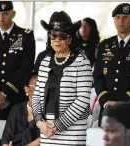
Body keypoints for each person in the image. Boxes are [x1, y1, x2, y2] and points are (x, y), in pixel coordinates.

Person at [32, 11, 93, 145]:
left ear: (70, 38)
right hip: (47, 133)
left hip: (73, 135)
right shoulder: (45, 61)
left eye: (62, 36)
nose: (57, 40)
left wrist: (57, 126)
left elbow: (82, 99)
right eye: (53, 35)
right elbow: (36, 96)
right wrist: (39, 123)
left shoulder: (82, 61)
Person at [0, 2, 35, 145]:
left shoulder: (25, 36)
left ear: (13, 14)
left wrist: (4, 94)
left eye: (5, 14)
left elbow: (26, 68)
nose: (1, 18)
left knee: (16, 141)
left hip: (15, 101)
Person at [2, 73, 40, 146]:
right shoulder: (17, 109)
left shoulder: (48, 110)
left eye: (42, 87)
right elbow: (6, 135)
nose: (39, 90)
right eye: (35, 86)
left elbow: (45, 137)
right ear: (26, 89)